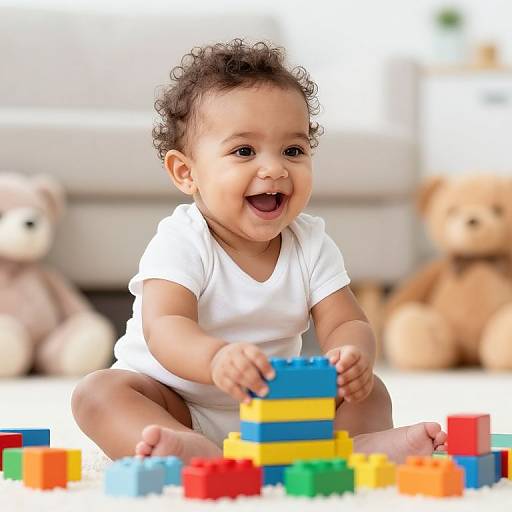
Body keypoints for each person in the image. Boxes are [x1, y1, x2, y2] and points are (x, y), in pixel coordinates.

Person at [72, 39, 446, 463]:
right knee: (97, 393)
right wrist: (215, 359)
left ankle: (351, 448)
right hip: (177, 399)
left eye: (293, 150)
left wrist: (352, 356)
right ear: (186, 172)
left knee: (371, 390)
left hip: (282, 410)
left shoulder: (311, 243)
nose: (274, 168)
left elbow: (346, 320)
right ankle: (185, 447)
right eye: (244, 151)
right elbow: (166, 325)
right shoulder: (182, 239)